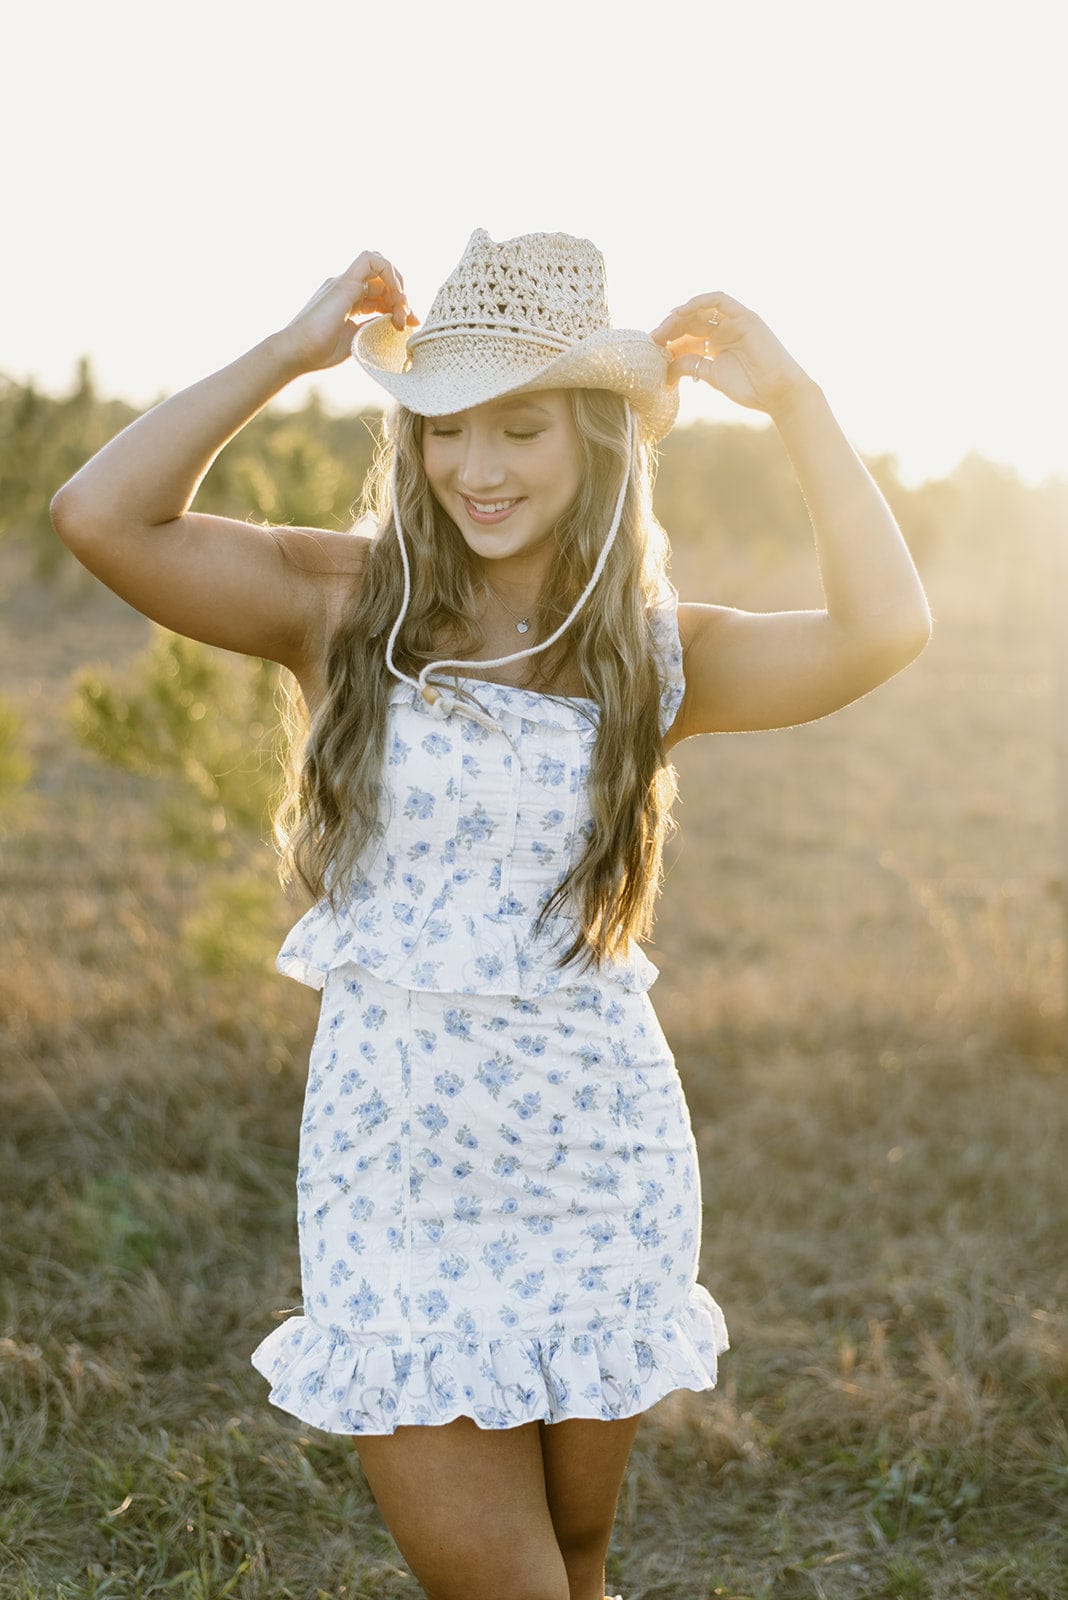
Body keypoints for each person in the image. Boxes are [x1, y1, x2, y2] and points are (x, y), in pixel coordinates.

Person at [51, 228, 931, 1600]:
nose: (477, 466)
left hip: (601, 1161)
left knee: (578, 1566)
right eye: (445, 429)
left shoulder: (652, 653)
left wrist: (801, 403)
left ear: (595, 439)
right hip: (396, 1181)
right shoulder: (343, 606)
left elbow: (882, 630)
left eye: (518, 427)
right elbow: (99, 519)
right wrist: (290, 354)